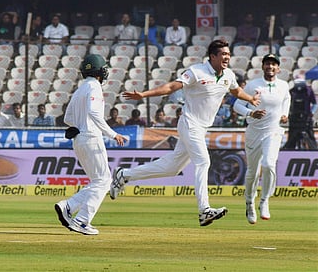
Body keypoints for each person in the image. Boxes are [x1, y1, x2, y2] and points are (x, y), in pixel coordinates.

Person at [110, 39, 261, 226]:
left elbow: (236, 91)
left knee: (172, 168)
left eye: (228, 54)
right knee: (204, 161)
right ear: (212, 56)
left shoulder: (228, 74)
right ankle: (204, 210)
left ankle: (124, 175)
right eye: (223, 54)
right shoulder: (196, 71)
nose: (227, 57)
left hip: (201, 128)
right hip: (190, 123)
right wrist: (143, 95)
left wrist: (251, 99)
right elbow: (171, 87)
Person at [54, 54, 127, 235]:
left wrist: (78, 125)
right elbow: (95, 113)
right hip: (91, 138)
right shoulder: (94, 87)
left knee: (98, 181)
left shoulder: (80, 89)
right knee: (104, 181)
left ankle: (68, 206)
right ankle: (82, 221)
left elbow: (67, 118)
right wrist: (113, 133)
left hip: (78, 139)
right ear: (100, 71)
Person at [233, 53, 291, 224]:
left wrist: (284, 115)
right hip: (254, 133)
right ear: (263, 67)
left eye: (273, 64)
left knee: (269, 164)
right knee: (252, 172)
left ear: (278, 68)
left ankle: (265, 200)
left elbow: (286, 100)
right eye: (267, 64)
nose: (270, 67)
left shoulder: (283, 85)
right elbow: (237, 105)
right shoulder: (253, 85)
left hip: (274, 131)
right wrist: (251, 113)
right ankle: (250, 202)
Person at [283, 76, 318, 149]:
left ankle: (314, 151)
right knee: (292, 138)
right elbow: (286, 103)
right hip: (294, 119)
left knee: (310, 137)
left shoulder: (309, 91)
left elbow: (314, 103)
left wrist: (312, 112)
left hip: (306, 118)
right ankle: (289, 151)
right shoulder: (291, 91)